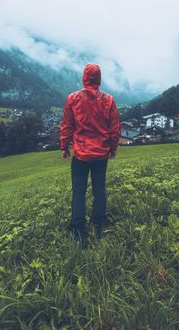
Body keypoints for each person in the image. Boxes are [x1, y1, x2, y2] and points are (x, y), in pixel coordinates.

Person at [60, 63, 121, 246]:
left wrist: (64, 146)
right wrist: (113, 148)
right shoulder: (109, 100)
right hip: (101, 154)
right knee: (99, 189)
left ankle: (78, 230)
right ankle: (99, 222)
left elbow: (67, 125)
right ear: (99, 79)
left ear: (84, 78)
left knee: (78, 192)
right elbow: (115, 128)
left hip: (81, 155)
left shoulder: (73, 99)